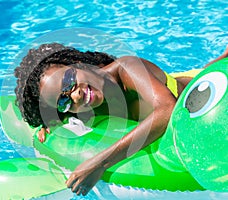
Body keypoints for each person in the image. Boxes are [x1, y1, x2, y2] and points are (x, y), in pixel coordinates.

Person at [14, 43, 228, 196]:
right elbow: (55, 116)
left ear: (77, 63)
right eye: (63, 101)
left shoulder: (126, 68)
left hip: (196, 91)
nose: (75, 94)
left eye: (69, 80)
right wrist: (48, 124)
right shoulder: (80, 106)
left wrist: (100, 163)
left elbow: (166, 110)